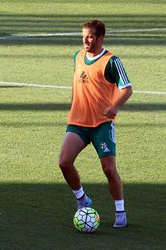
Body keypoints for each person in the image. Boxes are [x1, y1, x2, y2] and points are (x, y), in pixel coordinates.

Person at [59, 20, 132, 228]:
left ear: (100, 38)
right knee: (64, 162)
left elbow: (126, 88)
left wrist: (115, 106)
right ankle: (82, 198)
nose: (85, 40)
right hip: (78, 122)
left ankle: (120, 211)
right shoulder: (78, 56)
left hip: (101, 124)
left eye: (90, 36)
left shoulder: (111, 61)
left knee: (109, 169)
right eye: (83, 35)